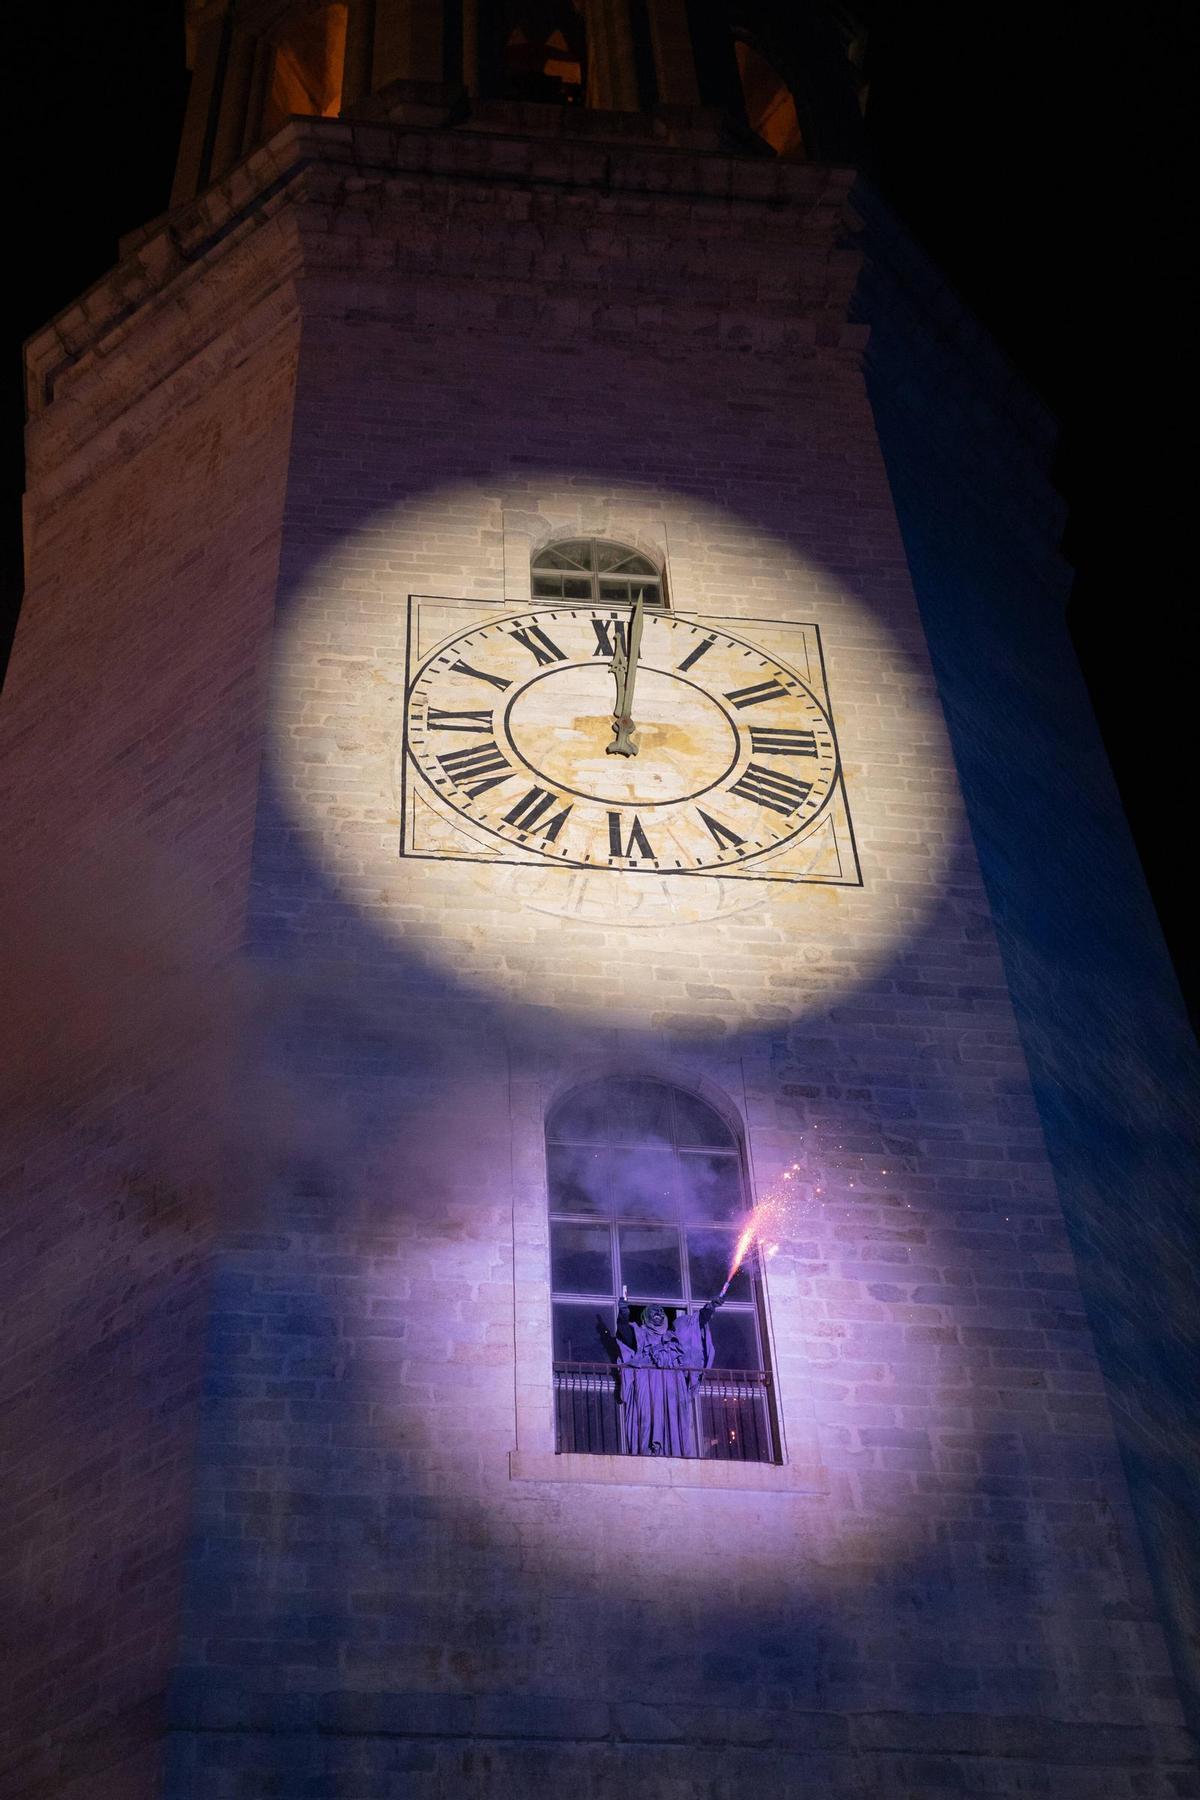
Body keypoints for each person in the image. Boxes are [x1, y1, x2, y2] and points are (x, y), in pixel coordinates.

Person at [597, 1292, 726, 1456]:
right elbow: (625, 1333)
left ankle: (674, 1454)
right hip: (647, 1385)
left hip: (673, 1387)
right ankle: (645, 1455)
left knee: (674, 1421)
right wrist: (623, 1315)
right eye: (653, 1310)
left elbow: (695, 1323)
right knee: (646, 1421)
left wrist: (710, 1307)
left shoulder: (675, 1336)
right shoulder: (640, 1335)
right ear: (645, 1317)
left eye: (660, 1310)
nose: (658, 1312)